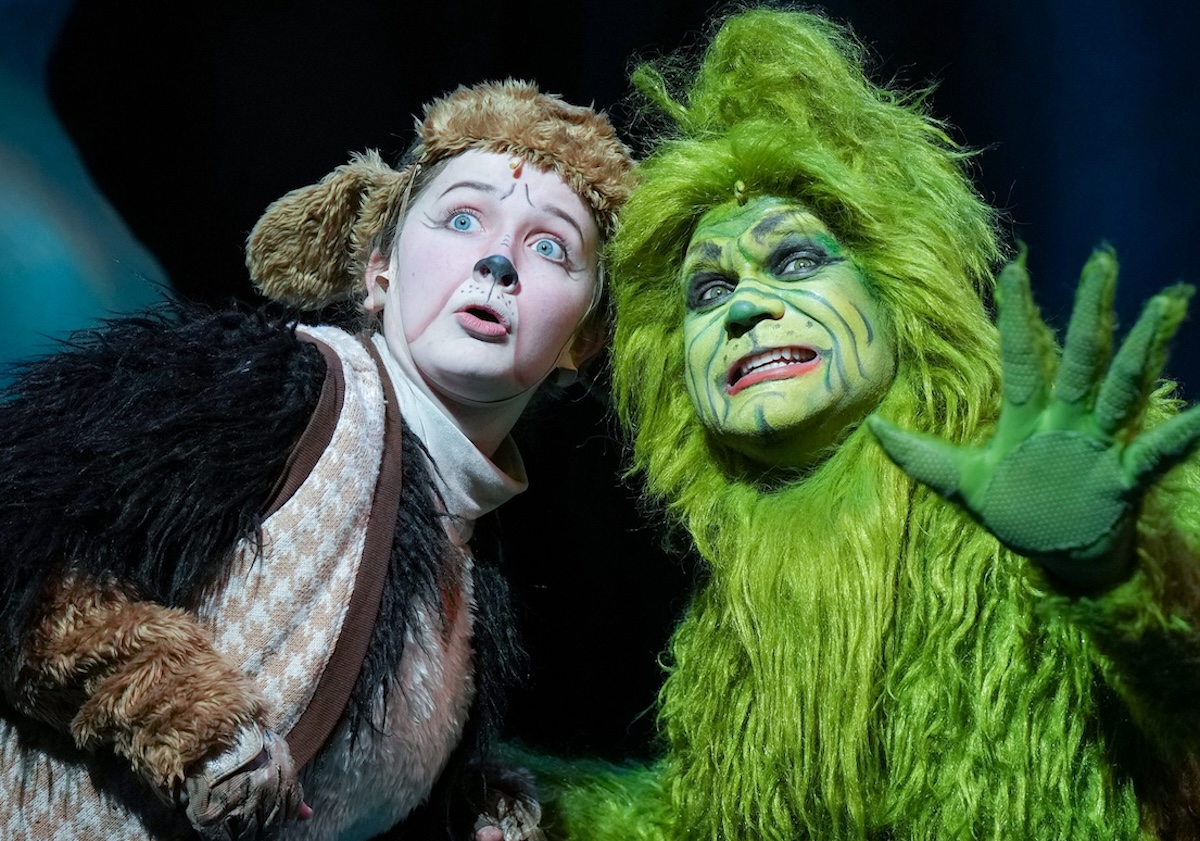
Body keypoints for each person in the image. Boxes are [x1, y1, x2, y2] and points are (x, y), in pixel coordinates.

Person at [529, 7, 1200, 840]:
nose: (746, 308)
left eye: (798, 260)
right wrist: (540, 802)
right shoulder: (735, 609)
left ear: (900, 300)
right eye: (708, 289)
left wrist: (1119, 572)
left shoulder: (1068, 469)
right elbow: (703, 818)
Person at [0, 79, 633, 840]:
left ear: (583, 340)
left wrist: (458, 811)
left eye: (550, 246)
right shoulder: (276, 392)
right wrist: (168, 704)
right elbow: (16, 550)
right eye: (463, 217)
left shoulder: (473, 570)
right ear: (379, 271)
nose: (498, 261)